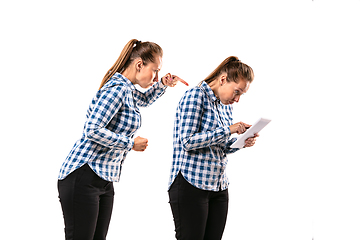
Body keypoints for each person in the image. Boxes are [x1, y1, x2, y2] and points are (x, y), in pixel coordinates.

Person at [58, 39, 188, 240]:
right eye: (155, 71)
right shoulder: (117, 88)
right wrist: (130, 144)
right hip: (83, 174)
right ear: (139, 65)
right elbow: (92, 129)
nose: (156, 77)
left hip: (102, 178)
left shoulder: (127, 89)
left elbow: (142, 100)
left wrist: (163, 84)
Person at [168, 56, 259, 240]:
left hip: (218, 186)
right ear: (223, 79)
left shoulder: (225, 106)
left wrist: (241, 142)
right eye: (237, 92)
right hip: (191, 184)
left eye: (241, 94)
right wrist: (228, 129)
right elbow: (187, 141)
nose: (238, 99)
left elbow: (220, 147)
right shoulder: (195, 96)